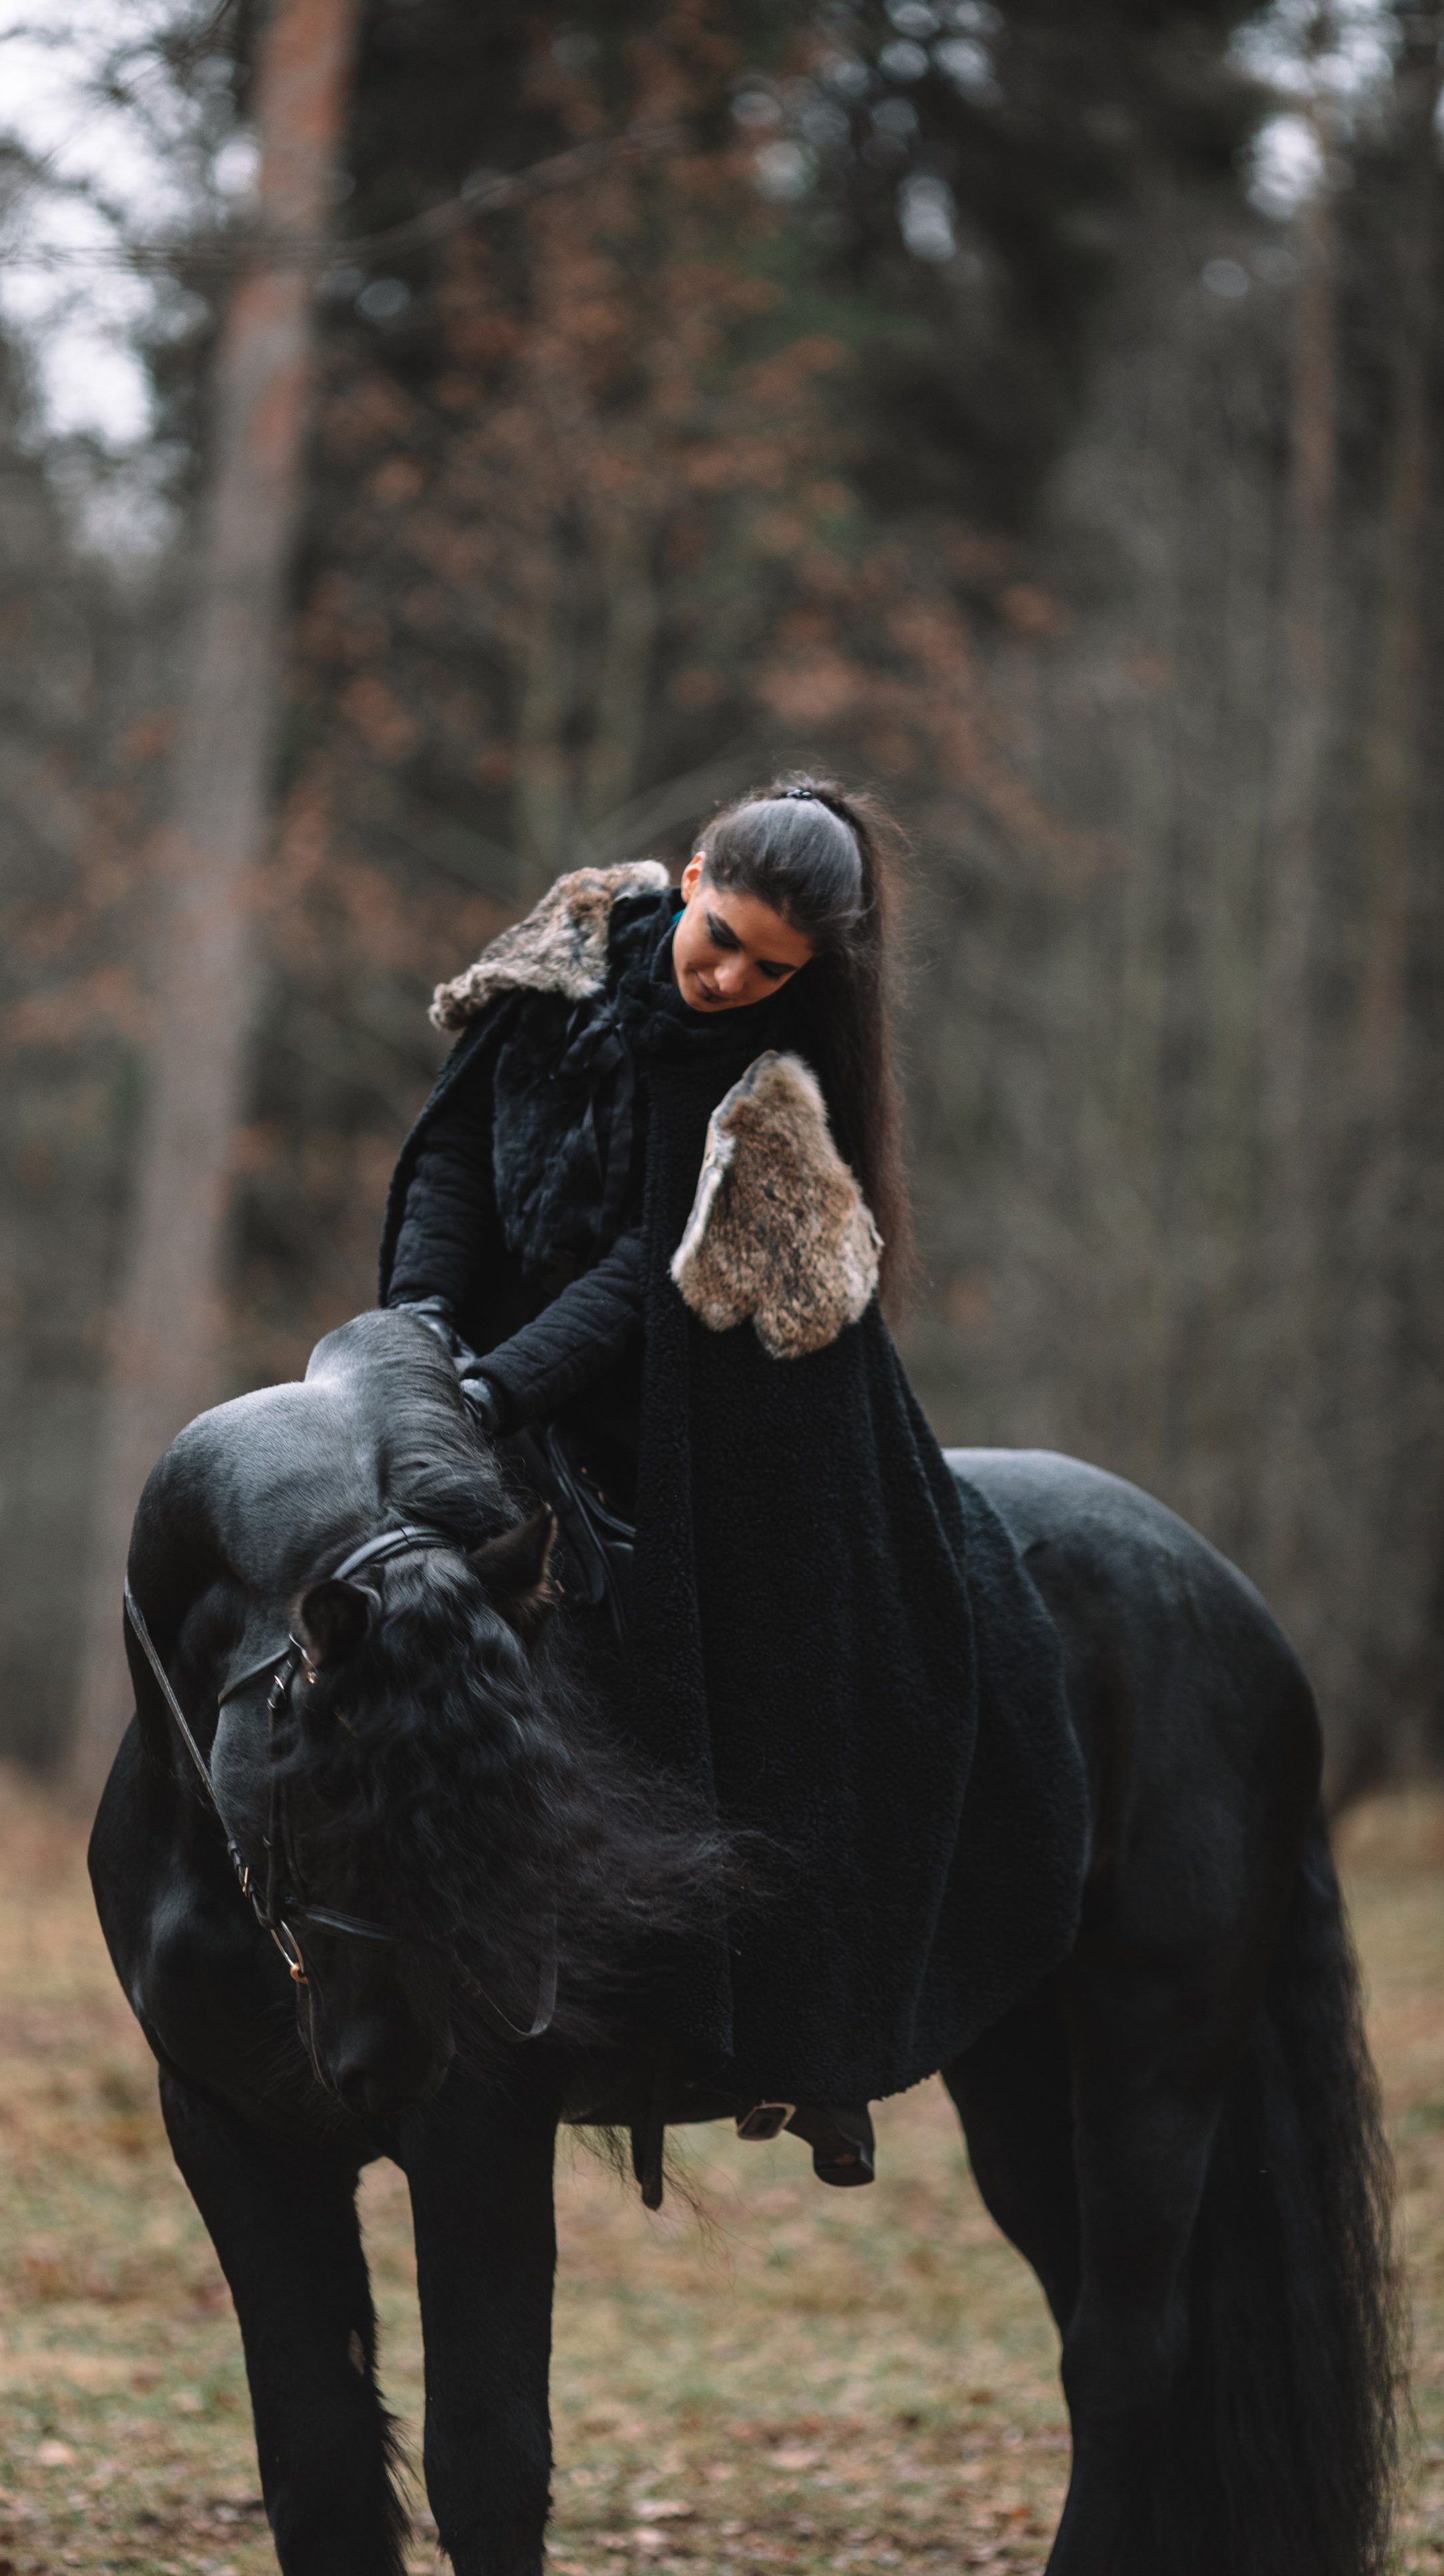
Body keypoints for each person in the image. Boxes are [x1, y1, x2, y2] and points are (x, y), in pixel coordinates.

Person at [379, 777, 1087, 2195]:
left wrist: (499, 1385)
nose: (729, 976)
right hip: (480, 1350)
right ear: (692, 873)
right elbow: (455, 1151)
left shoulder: (764, 1090)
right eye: (720, 937)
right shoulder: (560, 967)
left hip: (693, 1398)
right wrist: (418, 1331)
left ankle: (783, 2021)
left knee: (788, 1632)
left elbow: (643, 1283)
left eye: (771, 967)